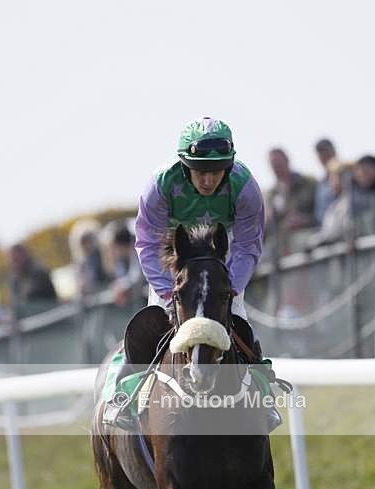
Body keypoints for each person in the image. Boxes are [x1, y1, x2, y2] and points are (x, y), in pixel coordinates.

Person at [104, 116, 279, 430]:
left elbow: (248, 244)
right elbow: (147, 243)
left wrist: (231, 286)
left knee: (238, 322)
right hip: (175, 259)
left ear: (228, 166)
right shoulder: (161, 184)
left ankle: (264, 396)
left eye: (216, 171)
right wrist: (167, 290)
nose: (208, 180)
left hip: (221, 256)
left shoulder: (245, 187)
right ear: (185, 166)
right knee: (153, 321)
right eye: (200, 171)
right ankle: (122, 394)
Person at [265, 148, 317, 251]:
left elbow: (321, 211)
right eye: (273, 165)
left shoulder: (308, 183)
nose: (277, 167)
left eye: (279, 163)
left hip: (308, 233)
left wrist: (304, 220)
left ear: (287, 160)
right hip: (282, 243)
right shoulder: (271, 194)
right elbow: (270, 225)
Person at [7, 243, 58, 316]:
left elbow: (31, 297)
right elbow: (14, 303)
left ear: (25, 255)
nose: (14, 263)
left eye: (16, 259)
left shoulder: (39, 272)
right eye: (13, 260)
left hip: (50, 315)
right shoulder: (15, 280)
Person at [69, 218, 111, 296]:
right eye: (84, 242)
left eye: (88, 241)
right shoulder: (80, 263)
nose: (87, 245)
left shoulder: (104, 256)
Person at [314, 138, 337, 225]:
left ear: (333, 151)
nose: (324, 156)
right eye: (320, 153)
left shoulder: (347, 175)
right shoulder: (321, 184)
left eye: (326, 151)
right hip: (324, 228)